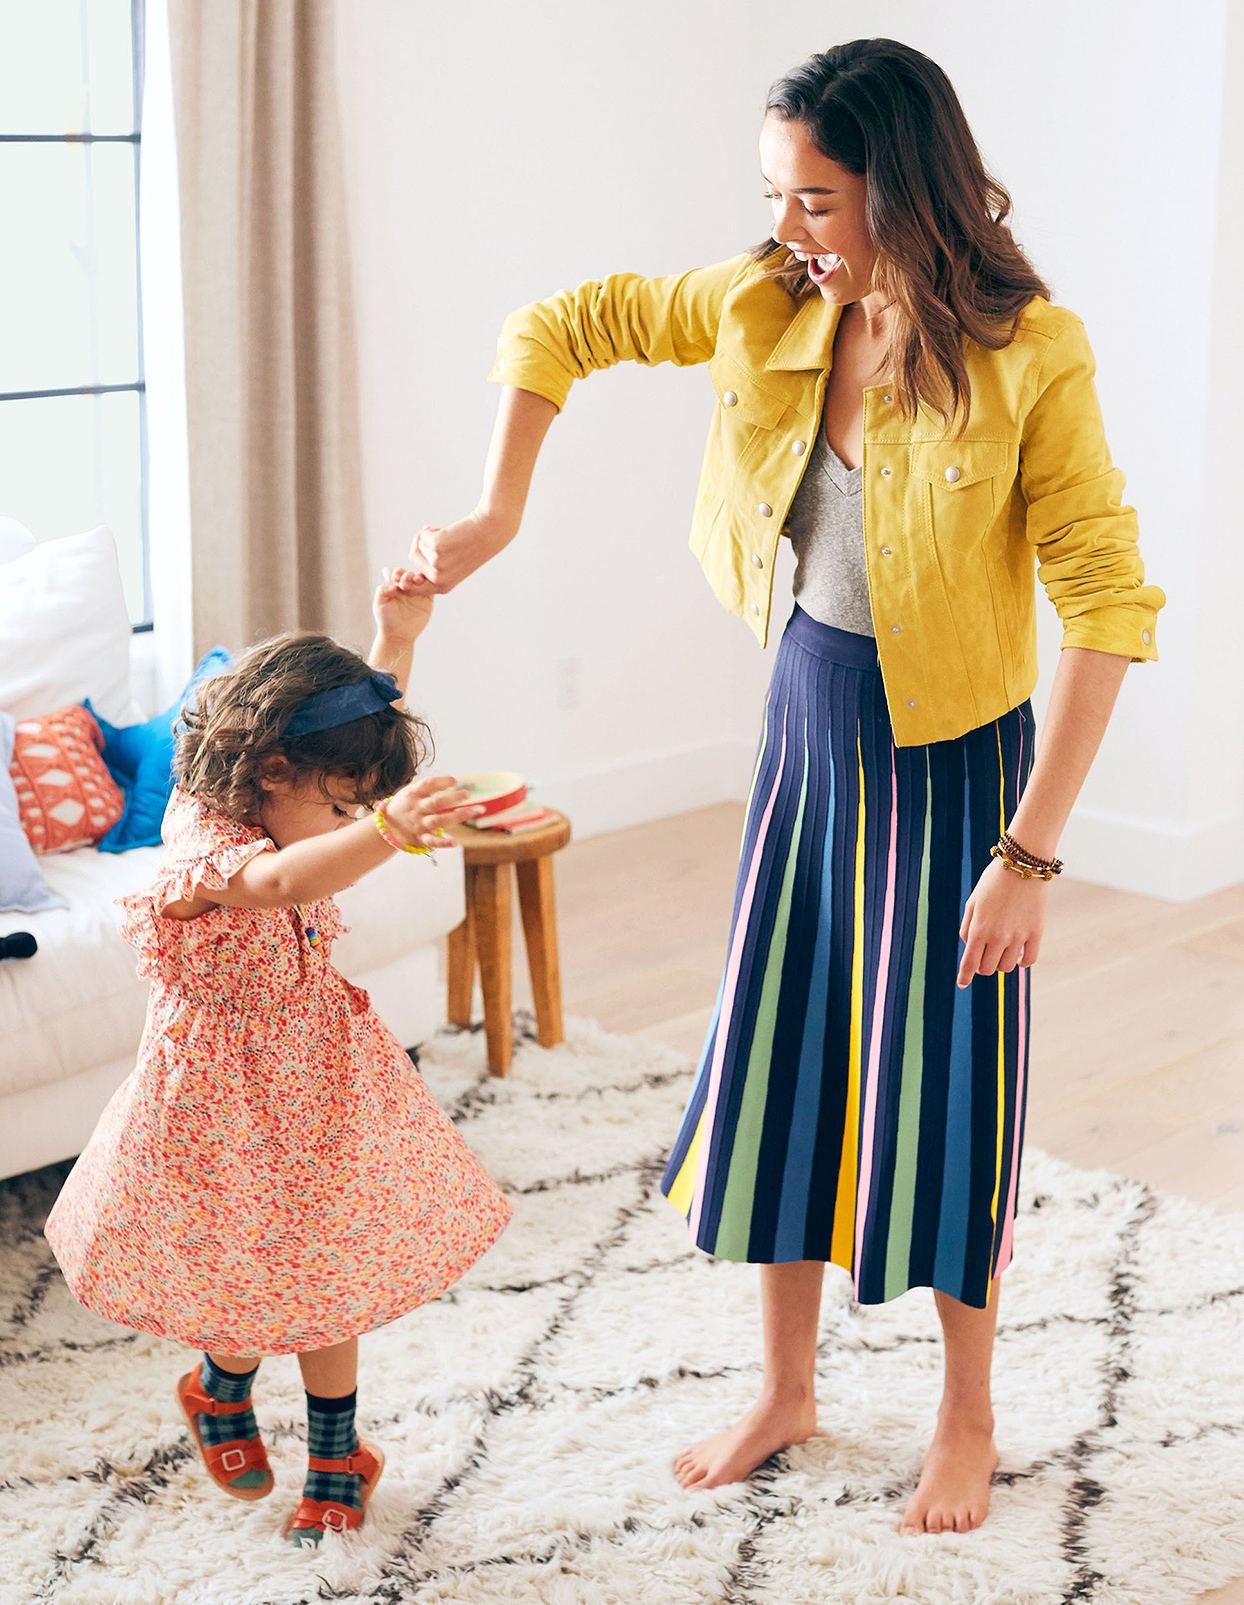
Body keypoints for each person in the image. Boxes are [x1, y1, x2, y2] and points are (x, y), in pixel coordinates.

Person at [405, 39, 1164, 1536]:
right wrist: (496, 512)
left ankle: (968, 1414)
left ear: (908, 191)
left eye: (818, 201)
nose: (788, 231)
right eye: (775, 197)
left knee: (948, 1087)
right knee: (787, 1061)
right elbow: (563, 321)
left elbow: (1108, 607)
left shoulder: (1031, 353)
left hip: (959, 767)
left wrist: (1032, 850)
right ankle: (787, 1387)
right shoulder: (766, 297)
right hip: (809, 722)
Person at [44, 568, 511, 1548]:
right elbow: (281, 877)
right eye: (343, 808)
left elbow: (339, 746)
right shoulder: (203, 855)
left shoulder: (289, 783)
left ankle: (338, 1454)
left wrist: (398, 640)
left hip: (319, 1075)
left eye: (360, 811)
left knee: (325, 1267)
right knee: (239, 1275)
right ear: (266, 778)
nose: (353, 823)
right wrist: (383, 832)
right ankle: (220, 1388)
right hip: (216, 1102)